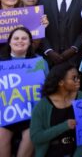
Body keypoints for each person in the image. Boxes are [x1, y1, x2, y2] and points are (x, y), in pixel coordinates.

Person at [0, 26, 48, 157]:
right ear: (9, 42)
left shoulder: (40, 62)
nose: (20, 41)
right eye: (16, 38)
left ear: (30, 42)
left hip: (31, 116)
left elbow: (48, 88)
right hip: (5, 115)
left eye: (24, 38)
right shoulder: (0, 62)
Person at [30, 63, 82, 157]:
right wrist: (64, 126)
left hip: (76, 152)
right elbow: (36, 137)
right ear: (61, 82)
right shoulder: (42, 106)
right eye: (74, 78)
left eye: (78, 77)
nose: (78, 80)